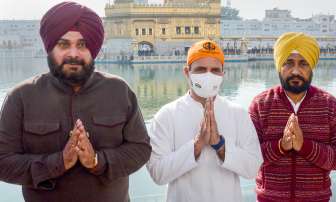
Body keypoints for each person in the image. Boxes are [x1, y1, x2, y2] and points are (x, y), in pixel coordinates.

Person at [0, 2, 151, 202]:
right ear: (50, 47)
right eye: (63, 44)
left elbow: (140, 149)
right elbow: (3, 161)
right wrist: (58, 162)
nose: (73, 54)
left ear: (93, 48)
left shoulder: (119, 91)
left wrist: (97, 161)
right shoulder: (21, 97)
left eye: (82, 44)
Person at [146, 40, 263, 202]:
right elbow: (158, 173)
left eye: (215, 70)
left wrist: (220, 146)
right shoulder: (166, 116)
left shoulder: (238, 114)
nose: (209, 75)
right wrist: (196, 145)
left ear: (223, 74)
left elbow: (252, 168)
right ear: (187, 72)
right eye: (201, 70)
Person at [249, 32, 336, 202]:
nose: (296, 71)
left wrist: (304, 146)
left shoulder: (329, 105)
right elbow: (248, 157)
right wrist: (281, 146)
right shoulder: (261, 104)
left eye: (303, 63)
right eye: (289, 63)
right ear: (279, 66)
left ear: (311, 67)